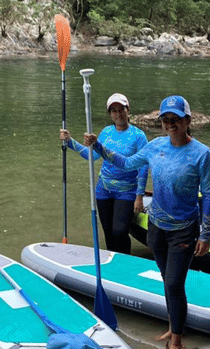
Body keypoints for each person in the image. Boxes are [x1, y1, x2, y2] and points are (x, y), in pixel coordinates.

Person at [84, 95, 210, 349]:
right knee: (166, 279)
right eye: (166, 120)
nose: (170, 124)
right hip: (156, 227)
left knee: (175, 283)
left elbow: (209, 195)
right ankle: (172, 325)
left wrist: (206, 233)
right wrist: (99, 146)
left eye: (175, 119)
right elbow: (126, 163)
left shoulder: (201, 154)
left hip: (183, 230)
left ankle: (177, 341)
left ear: (188, 121)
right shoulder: (155, 147)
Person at [60, 93, 148, 254]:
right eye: (114, 110)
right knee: (108, 233)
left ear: (128, 111)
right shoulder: (106, 132)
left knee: (119, 231)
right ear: (110, 114)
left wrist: (139, 196)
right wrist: (70, 142)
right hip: (104, 189)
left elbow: (143, 166)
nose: (118, 113)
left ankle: (124, 261)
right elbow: (93, 156)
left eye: (122, 109)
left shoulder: (138, 136)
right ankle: (112, 264)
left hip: (127, 190)